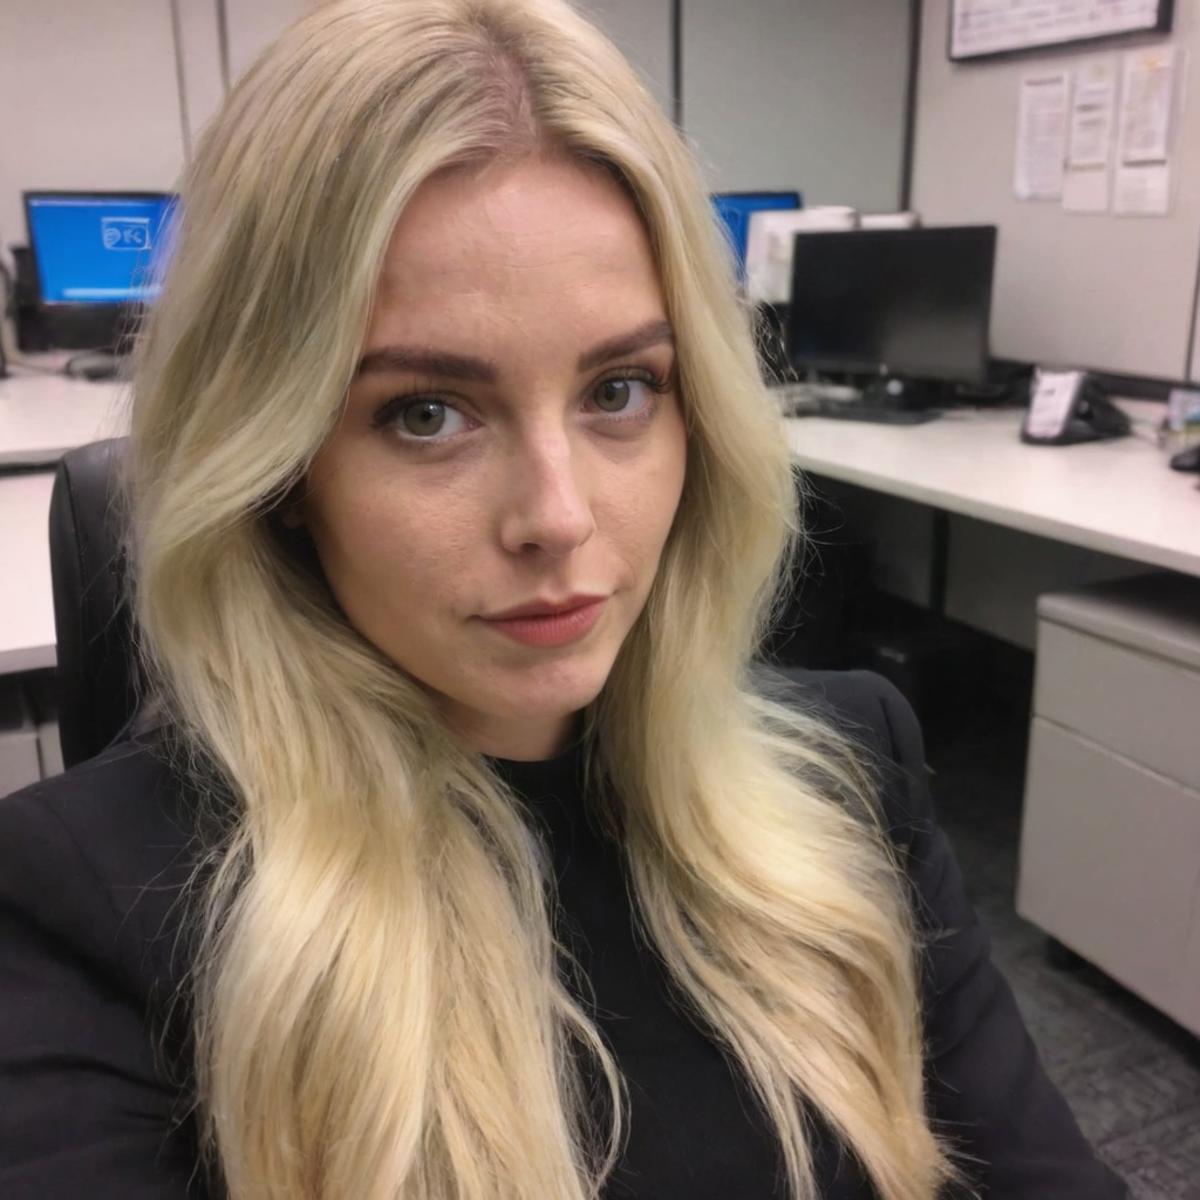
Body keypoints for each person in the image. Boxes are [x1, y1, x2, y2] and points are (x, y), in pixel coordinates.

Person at [0, 2, 1129, 1198]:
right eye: (425, 411)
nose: (561, 515)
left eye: (621, 389)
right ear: (278, 466)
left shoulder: (851, 771)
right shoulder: (90, 915)